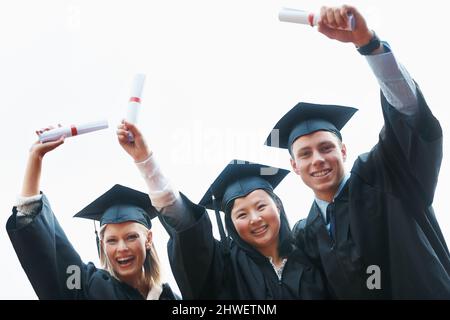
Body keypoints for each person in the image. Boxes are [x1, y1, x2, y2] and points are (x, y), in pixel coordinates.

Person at [264, 5, 450, 299]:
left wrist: (368, 44)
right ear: (294, 166)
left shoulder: (385, 175)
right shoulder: (307, 234)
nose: (318, 159)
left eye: (326, 148)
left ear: (343, 150)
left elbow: (410, 115)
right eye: (305, 154)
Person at [117, 121, 329, 299]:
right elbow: (187, 227)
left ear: (278, 205)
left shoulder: (308, 249)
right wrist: (146, 162)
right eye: (241, 214)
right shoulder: (225, 265)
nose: (255, 219)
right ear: (231, 223)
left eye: (261, 206)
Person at [6, 129, 178, 300]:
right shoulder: (87, 286)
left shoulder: (170, 298)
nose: (122, 248)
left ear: (148, 239)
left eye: (131, 237)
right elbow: (50, 253)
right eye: (111, 240)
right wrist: (36, 157)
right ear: (102, 243)